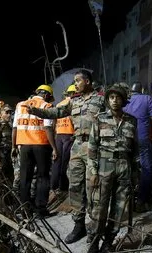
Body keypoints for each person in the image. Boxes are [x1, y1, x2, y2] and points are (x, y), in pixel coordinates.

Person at [27, 69, 105, 243]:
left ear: (88, 82)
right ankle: (79, 226)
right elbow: (55, 112)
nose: (75, 83)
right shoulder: (73, 101)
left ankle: (95, 226)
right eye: (75, 81)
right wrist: (36, 112)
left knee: (94, 187)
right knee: (75, 186)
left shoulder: (101, 100)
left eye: (78, 80)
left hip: (96, 147)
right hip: (77, 147)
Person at [85, 84, 138, 253]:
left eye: (118, 97)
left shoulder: (131, 120)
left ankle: (108, 245)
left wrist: (135, 173)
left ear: (123, 100)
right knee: (99, 208)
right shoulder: (99, 119)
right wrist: (93, 171)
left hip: (124, 167)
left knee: (119, 208)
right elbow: (92, 148)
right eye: (111, 98)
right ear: (107, 100)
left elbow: (135, 150)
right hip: (104, 166)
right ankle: (92, 248)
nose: (114, 101)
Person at [13, 85, 57, 218]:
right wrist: (54, 148)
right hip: (41, 145)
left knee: (25, 177)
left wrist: (13, 146)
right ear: (47, 95)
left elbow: (15, 127)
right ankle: (40, 210)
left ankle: (25, 209)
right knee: (43, 177)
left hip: (24, 145)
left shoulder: (20, 105)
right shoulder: (46, 106)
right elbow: (48, 128)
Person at [123, 82, 152, 211]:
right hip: (143, 137)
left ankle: (127, 201)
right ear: (142, 89)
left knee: (128, 168)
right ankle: (142, 201)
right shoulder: (147, 98)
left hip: (127, 138)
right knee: (146, 168)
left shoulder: (125, 100)